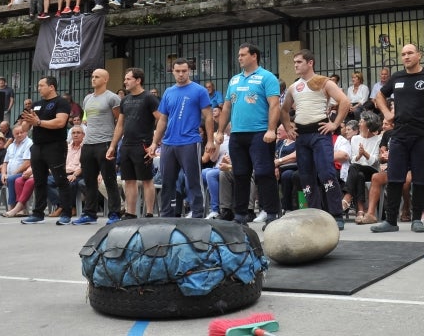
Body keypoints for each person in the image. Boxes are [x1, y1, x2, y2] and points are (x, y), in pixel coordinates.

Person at [370, 43, 424, 233]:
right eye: (403, 54)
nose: (406, 56)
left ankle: (417, 219)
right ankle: (390, 221)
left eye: (410, 53)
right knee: (395, 178)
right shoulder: (397, 77)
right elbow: (379, 95)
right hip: (400, 135)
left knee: (420, 178)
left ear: (418, 55)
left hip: (423, 134)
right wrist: (387, 113)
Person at [279, 49, 350, 228]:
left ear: (310, 63)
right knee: (306, 176)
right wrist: (288, 127)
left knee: (326, 172)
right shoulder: (293, 87)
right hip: (301, 135)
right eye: (294, 62)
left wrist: (335, 124)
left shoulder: (323, 81)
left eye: (299, 62)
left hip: (320, 133)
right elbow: (284, 110)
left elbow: (345, 101)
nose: (295, 65)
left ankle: (336, 214)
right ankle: (314, 215)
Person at [215, 43, 281, 225]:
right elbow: (227, 106)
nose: (239, 58)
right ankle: (240, 215)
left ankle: (272, 213)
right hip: (237, 134)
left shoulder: (266, 77)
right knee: (240, 174)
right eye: (238, 55)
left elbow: (275, 105)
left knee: (263, 173)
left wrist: (271, 129)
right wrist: (220, 131)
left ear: (254, 56)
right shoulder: (234, 80)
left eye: (243, 55)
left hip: (260, 133)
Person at [148, 59, 213, 218]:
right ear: (173, 72)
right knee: (167, 182)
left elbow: (209, 116)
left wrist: (210, 140)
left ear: (189, 71)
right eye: (178, 71)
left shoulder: (199, 90)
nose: (181, 74)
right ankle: (166, 215)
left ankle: (198, 215)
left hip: (190, 141)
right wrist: (154, 142)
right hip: (168, 143)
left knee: (193, 180)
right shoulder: (169, 92)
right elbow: (162, 119)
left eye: (184, 71)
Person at [17, 76, 75, 225]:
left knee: (60, 179)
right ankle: (38, 213)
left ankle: (66, 213)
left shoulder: (61, 103)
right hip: (37, 146)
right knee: (39, 181)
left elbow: (60, 122)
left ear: (51, 87)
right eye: (38, 85)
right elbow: (24, 128)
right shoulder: (36, 105)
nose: (38, 88)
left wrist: (38, 122)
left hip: (55, 146)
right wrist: (27, 121)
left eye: (41, 85)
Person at [73, 68, 122, 225]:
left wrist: (113, 144)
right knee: (89, 181)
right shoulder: (87, 98)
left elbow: (120, 122)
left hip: (105, 142)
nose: (93, 79)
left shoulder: (112, 98)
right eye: (92, 76)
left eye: (97, 77)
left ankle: (115, 213)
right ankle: (90, 214)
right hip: (88, 144)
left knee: (109, 180)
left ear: (106, 79)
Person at [341, 111, 382, 223]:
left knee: (355, 168)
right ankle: (360, 211)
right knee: (359, 175)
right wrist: (359, 155)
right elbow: (353, 159)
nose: (359, 124)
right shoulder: (355, 139)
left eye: (361, 121)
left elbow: (374, 161)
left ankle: (347, 197)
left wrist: (365, 154)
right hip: (358, 169)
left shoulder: (378, 139)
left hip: (372, 171)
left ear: (368, 125)